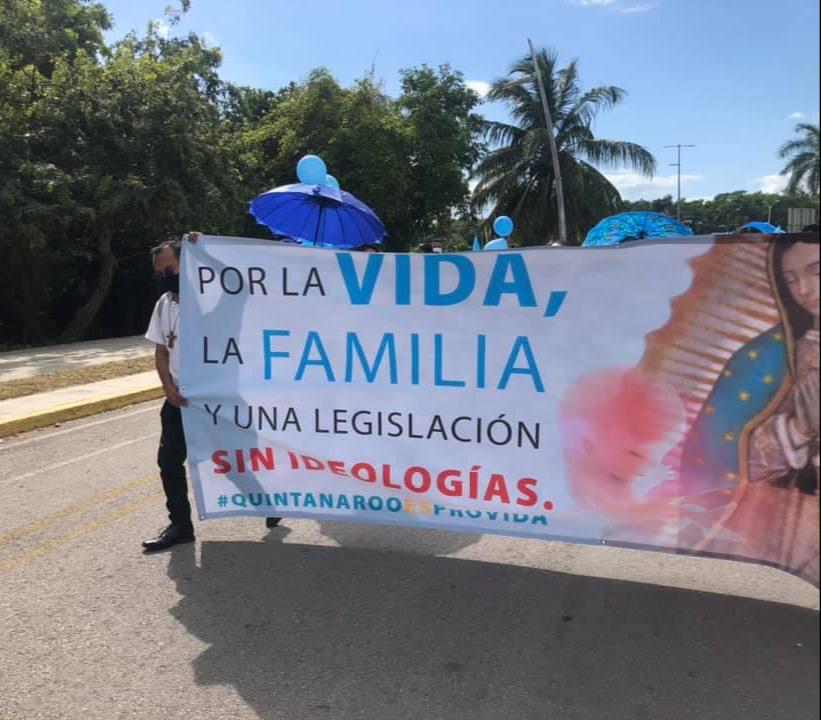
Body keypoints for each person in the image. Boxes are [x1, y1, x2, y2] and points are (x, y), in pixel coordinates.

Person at [680, 237, 819, 581]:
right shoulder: (781, 356)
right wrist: (798, 429)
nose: (804, 288)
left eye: (817, 271)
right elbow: (727, 448)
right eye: (789, 279)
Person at [141, 235, 281, 552]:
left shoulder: (214, 298)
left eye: (170, 267)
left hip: (217, 401)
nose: (166, 276)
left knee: (230, 463)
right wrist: (167, 387)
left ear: (187, 264)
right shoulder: (163, 305)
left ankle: (267, 503)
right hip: (179, 400)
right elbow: (161, 351)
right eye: (160, 272)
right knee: (169, 462)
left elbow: (240, 284)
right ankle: (180, 526)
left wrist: (204, 252)